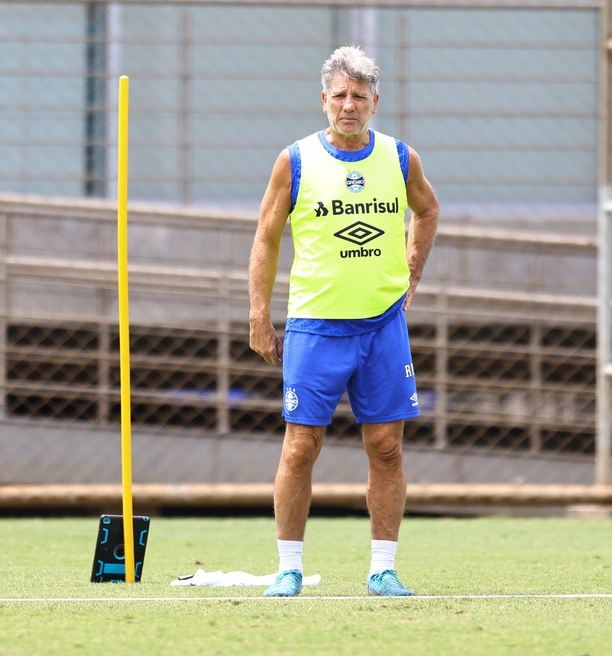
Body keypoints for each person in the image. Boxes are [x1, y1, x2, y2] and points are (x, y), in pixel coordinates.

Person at [248, 45, 440, 598]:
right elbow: (266, 236)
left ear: (374, 102)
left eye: (359, 96)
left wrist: (413, 270)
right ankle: (288, 568)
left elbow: (427, 210)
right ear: (323, 100)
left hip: (382, 326)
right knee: (300, 445)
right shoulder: (296, 160)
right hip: (315, 325)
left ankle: (383, 568)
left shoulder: (401, 158)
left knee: (386, 445)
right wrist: (259, 313)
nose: (348, 105)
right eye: (339, 96)